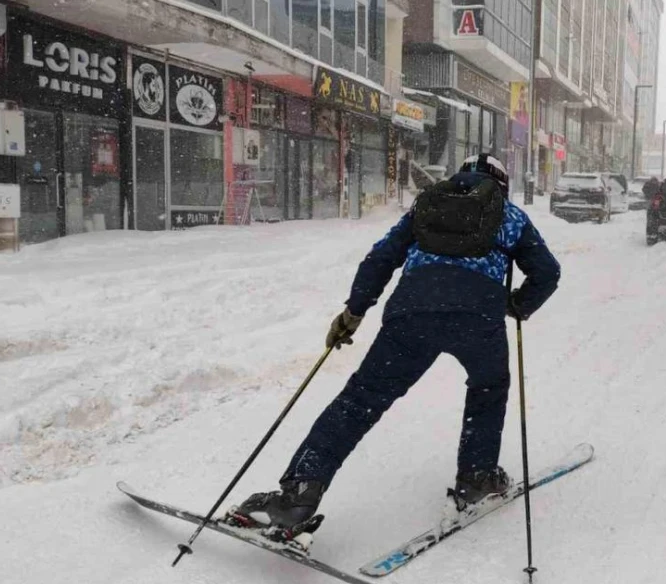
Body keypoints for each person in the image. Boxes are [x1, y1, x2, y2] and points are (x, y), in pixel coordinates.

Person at [230, 154, 561, 536]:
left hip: (412, 313)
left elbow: (381, 257)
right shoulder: (511, 216)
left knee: (360, 400)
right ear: (502, 184)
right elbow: (548, 273)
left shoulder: (427, 204)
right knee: (488, 388)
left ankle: (299, 493)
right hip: (478, 321)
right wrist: (516, 305)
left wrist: (353, 313)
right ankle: (477, 477)